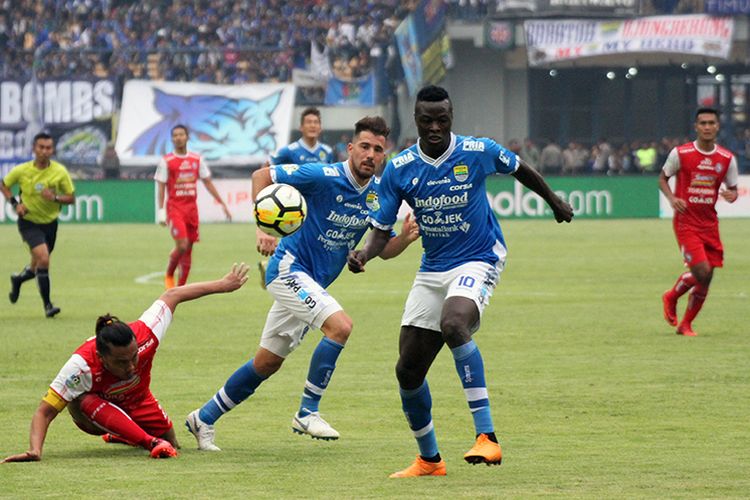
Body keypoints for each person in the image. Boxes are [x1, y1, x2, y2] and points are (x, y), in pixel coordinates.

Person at [347, 85, 573, 478]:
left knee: (454, 323)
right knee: (407, 370)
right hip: (432, 268)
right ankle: (429, 460)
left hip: (479, 257)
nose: (435, 127)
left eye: (442, 120)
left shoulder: (476, 150)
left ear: (452, 117)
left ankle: (487, 437)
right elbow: (381, 230)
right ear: (415, 119)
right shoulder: (399, 169)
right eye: (426, 120)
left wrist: (554, 201)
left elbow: (520, 169)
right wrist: (364, 254)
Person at [185, 116, 420, 450]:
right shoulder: (322, 175)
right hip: (288, 271)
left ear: (385, 155)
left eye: (378, 149)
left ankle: (203, 418)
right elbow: (261, 175)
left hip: (313, 284)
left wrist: (405, 240)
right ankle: (308, 411)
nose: (370, 154)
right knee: (340, 327)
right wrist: (263, 228)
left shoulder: (378, 197)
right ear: (351, 148)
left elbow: (382, 249)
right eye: (364, 146)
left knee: (265, 364)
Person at [1, 263, 249, 463]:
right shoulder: (81, 366)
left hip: (139, 400)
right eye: (121, 362)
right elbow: (44, 412)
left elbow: (173, 295)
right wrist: (35, 450)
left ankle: (127, 434)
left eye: (134, 358)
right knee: (83, 400)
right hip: (93, 416)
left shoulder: (146, 334)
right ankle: (144, 439)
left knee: (173, 444)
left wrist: (223, 285)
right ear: (101, 357)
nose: (131, 367)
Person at [659, 108, 738, 337]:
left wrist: (732, 196)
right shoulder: (681, 153)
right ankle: (671, 296)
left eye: (711, 122)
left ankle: (685, 325)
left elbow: (732, 190)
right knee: (702, 271)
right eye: (702, 122)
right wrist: (673, 199)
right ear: (696, 127)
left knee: (708, 276)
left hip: (709, 223)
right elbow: (662, 178)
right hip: (686, 223)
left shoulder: (726, 159)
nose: (706, 126)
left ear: (717, 126)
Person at [258, 107, 336, 288]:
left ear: (321, 127)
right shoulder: (289, 151)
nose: (312, 125)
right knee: (295, 244)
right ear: (301, 127)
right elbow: (266, 169)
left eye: (316, 122)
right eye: (308, 122)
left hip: (318, 208)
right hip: (293, 207)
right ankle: (275, 269)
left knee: (313, 247)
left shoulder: (326, 152)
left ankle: (273, 267)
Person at [2, 132, 75, 318]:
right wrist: (15, 204)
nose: (44, 151)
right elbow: (4, 184)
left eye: (48, 148)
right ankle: (48, 306)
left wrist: (55, 197)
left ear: (53, 150)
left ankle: (18, 280)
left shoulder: (59, 172)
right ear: (34, 149)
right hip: (29, 223)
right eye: (41, 147)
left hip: (50, 224)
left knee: (37, 266)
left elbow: (71, 197)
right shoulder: (22, 170)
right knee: (44, 258)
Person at [155, 124, 232, 289]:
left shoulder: (197, 160)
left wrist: (222, 203)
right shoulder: (167, 161)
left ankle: (180, 288)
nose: (178, 138)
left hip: (191, 209)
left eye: (181, 134)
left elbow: (207, 182)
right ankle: (169, 274)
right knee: (181, 245)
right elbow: (161, 185)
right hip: (175, 208)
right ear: (172, 139)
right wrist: (160, 210)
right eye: (175, 135)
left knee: (188, 248)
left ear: (187, 137)